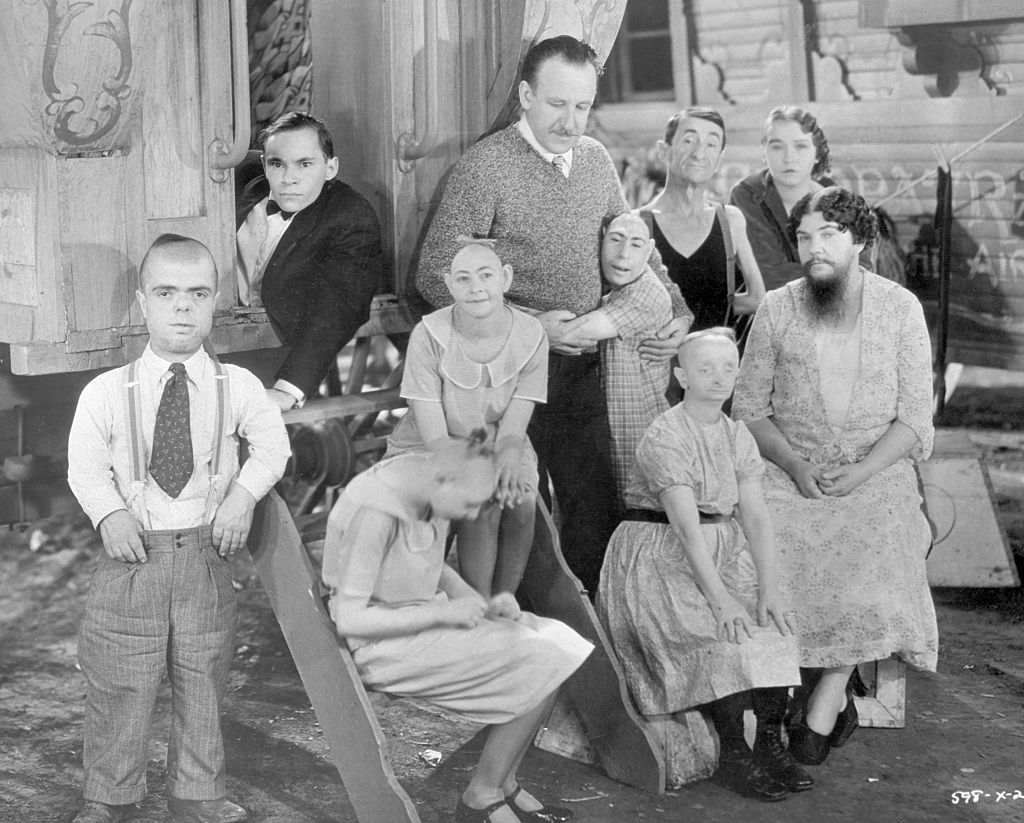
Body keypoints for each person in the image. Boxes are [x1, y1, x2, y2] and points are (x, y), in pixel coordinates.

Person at [416, 35, 693, 593]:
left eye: (583, 106)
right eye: (557, 104)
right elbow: (434, 273)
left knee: (595, 506)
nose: (571, 122)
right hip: (509, 372)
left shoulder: (593, 159)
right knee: (520, 511)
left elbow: (635, 242)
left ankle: (591, 633)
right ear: (526, 96)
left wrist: (678, 313)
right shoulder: (485, 167)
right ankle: (520, 629)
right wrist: (525, 326)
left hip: (584, 369)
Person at [67, 235, 291, 823]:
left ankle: (198, 793)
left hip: (203, 557)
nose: (183, 307)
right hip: (132, 560)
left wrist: (242, 497)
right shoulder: (105, 392)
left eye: (198, 293)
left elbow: (273, 447)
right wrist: (109, 513)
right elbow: (85, 466)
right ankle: (109, 796)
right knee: (120, 679)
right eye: (166, 293)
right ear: (144, 302)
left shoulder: (237, 386)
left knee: (203, 676)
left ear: (215, 301)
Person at [732, 187, 938, 767]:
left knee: (878, 537)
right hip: (789, 466)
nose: (815, 248)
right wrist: (796, 465)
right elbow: (749, 409)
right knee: (756, 546)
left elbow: (914, 419)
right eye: (805, 237)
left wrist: (863, 471)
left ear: (861, 241)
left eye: (830, 234)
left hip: (876, 472)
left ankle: (830, 690)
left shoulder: (900, 308)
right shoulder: (778, 307)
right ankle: (772, 699)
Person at [323, 435, 593, 823]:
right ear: (444, 480)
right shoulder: (377, 512)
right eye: (469, 504)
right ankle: (480, 798)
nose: (472, 514)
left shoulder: (427, 483)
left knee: (559, 644)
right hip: (382, 645)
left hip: (421, 620)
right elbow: (351, 620)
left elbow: (435, 568)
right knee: (541, 659)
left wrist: (483, 604)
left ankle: (504, 782)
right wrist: (444, 615)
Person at [596, 328, 806, 801]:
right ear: (682, 377)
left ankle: (768, 747)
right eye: (705, 368)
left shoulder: (736, 434)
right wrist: (721, 601)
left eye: (728, 368)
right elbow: (687, 531)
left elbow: (755, 516)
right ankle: (734, 755)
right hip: (659, 552)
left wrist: (769, 587)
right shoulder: (665, 435)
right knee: (721, 637)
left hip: (723, 546)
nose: (718, 378)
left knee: (774, 625)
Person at [385, 239, 547, 597]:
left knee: (520, 498)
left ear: (505, 278)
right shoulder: (428, 335)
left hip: (498, 436)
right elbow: (433, 433)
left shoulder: (531, 334)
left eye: (486, 275)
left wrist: (508, 452)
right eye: (463, 278)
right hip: (430, 444)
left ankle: (502, 600)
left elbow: (518, 415)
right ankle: (477, 602)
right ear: (449, 284)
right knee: (480, 498)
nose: (476, 288)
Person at [235, 111, 383, 411]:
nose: (288, 178)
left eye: (305, 164)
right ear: (264, 164)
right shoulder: (248, 182)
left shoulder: (351, 216)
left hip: (282, 351)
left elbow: (339, 305)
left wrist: (289, 388)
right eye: (277, 164)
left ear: (331, 168)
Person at [550, 213, 672, 500]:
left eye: (636, 244)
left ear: (650, 250)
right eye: (615, 240)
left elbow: (572, 333)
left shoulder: (646, 293)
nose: (623, 254)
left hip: (639, 436)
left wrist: (521, 318)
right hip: (611, 430)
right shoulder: (613, 288)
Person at [639, 107, 765, 334]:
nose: (699, 153)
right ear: (664, 151)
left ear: (718, 160)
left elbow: (756, 298)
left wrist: (710, 317)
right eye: (688, 141)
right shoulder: (638, 223)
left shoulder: (730, 220)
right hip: (654, 353)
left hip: (716, 353)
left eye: (711, 144)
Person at [728, 105, 833, 291]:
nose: (789, 158)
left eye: (800, 146)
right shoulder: (747, 195)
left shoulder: (835, 196)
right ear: (764, 152)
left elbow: (862, 267)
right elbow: (770, 275)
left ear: (817, 153)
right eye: (777, 147)